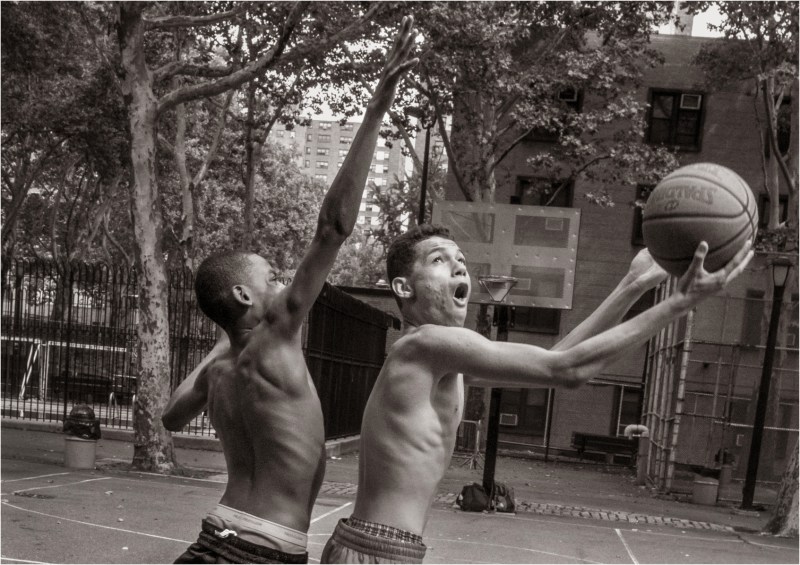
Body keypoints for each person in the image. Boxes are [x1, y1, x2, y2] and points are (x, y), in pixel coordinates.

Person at [321, 224, 753, 563]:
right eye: (439, 260)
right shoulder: (427, 344)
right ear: (402, 288)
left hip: (383, 548)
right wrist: (678, 303)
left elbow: (558, 358)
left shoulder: (440, 362)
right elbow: (568, 370)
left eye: (462, 260)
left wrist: (632, 286)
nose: (459, 268)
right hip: (374, 553)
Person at [162, 17, 418, 564]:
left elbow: (169, 418)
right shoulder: (277, 334)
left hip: (216, 538)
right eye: (271, 276)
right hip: (260, 551)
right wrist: (377, 107)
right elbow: (333, 228)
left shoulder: (219, 371)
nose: (284, 282)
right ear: (247, 298)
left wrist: (224, 337)